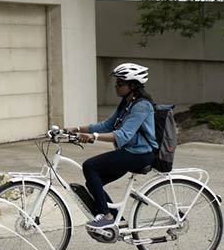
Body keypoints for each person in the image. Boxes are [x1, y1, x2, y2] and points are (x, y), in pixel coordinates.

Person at [65, 63, 157, 231]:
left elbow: (123, 135)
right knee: (94, 182)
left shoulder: (142, 106)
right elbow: (107, 125)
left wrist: (94, 137)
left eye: (120, 83)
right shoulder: (127, 103)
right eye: (117, 82)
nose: (116, 86)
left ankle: (106, 216)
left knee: (90, 166)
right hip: (129, 152)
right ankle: (116, 220)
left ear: (133, 85)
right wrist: (76, 129)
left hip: (140, 154)